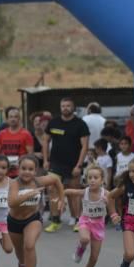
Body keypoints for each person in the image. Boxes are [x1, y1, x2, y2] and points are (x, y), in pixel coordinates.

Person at [7, 154, 65, 267]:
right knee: (20, 252)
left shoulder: (39, 181)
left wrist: (61, 199)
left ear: (36, 171)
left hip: (32, 219)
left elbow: (56, 179)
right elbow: (12, 202)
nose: (27, 172)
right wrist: (30, 194)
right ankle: (22, 264)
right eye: (24, 168)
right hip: (14, 221)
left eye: (30, 169)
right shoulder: (14, 183)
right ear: (18, 169)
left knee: (30, 245)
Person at [44, 97, 90, 232]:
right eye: (63, 106)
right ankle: (55, 220)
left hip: (73, 164)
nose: (65, 108)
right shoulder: (53, 123)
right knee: (52, 189)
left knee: (73, 192)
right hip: (56, 163)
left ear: (73, 108)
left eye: (68, 106)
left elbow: (85, 146)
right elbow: (46, 141)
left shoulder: (80, 124)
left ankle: (77, 220)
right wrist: (46, 160)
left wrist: (79, 165)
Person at [65, 164, 109, 267]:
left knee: (94, 257)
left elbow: (113, 205)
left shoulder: (106, 193)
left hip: (98, 226)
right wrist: (60, 199)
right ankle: (80, 250)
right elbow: (68, 191)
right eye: (90, 177)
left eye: (96, 177)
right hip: (85, 221)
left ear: (102, 180)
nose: (92, 180)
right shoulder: (84, 192)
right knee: (84, 239)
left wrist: (114, 214)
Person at [0, 106, 34, 178]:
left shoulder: (26, 134)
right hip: (4, 171)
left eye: (15, 117)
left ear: (19, 119)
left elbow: (30, 155)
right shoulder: (1, 134)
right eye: (11, 117)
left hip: (20, 172)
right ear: (7, 119)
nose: (13, 119)